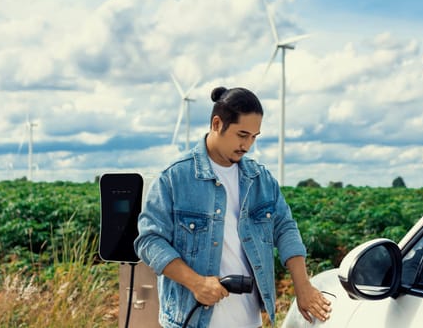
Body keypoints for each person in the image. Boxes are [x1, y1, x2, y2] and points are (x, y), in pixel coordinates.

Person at [134, 86, 331, 327]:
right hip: (191, 320)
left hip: (249, 321)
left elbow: (285, 228)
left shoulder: (261, 179)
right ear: (217, 124)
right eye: (242, 134)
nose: (247, 145)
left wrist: (303, 286)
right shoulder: (174, 178)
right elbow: (149, 240)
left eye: (254, 137)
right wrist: (196, 283)